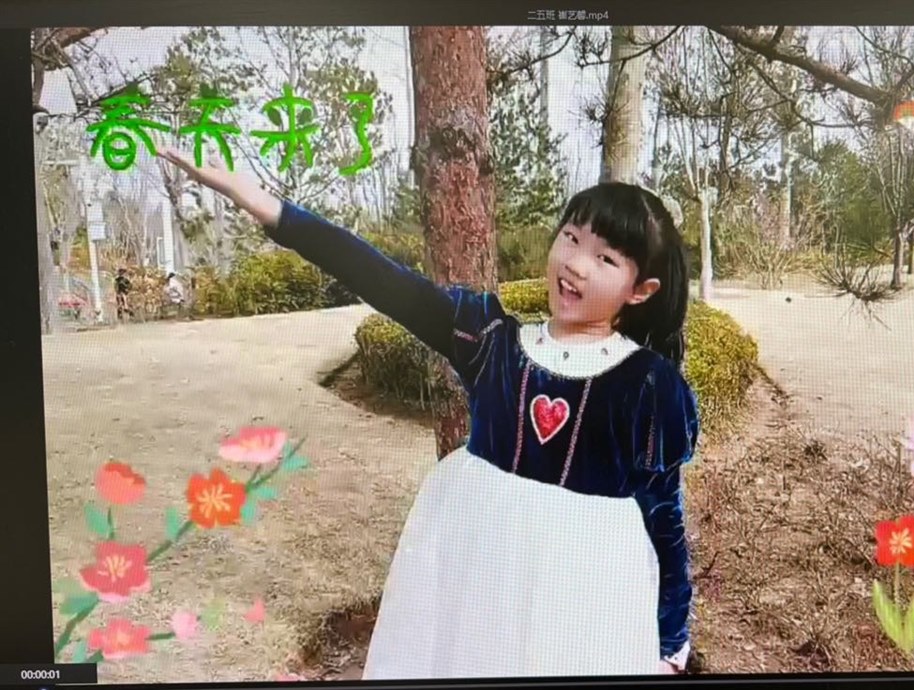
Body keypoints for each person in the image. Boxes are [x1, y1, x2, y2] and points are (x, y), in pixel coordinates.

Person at [155, 147, 699, 679]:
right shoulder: (491, 342)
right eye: (571, 238)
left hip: (584, 598)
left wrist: (671, 639)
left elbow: (664, 519)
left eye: (606, 259)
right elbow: (382, 280)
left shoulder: (649, 386)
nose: (575, 264)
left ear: (641, 290)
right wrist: (261, 203)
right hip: (478, 579)